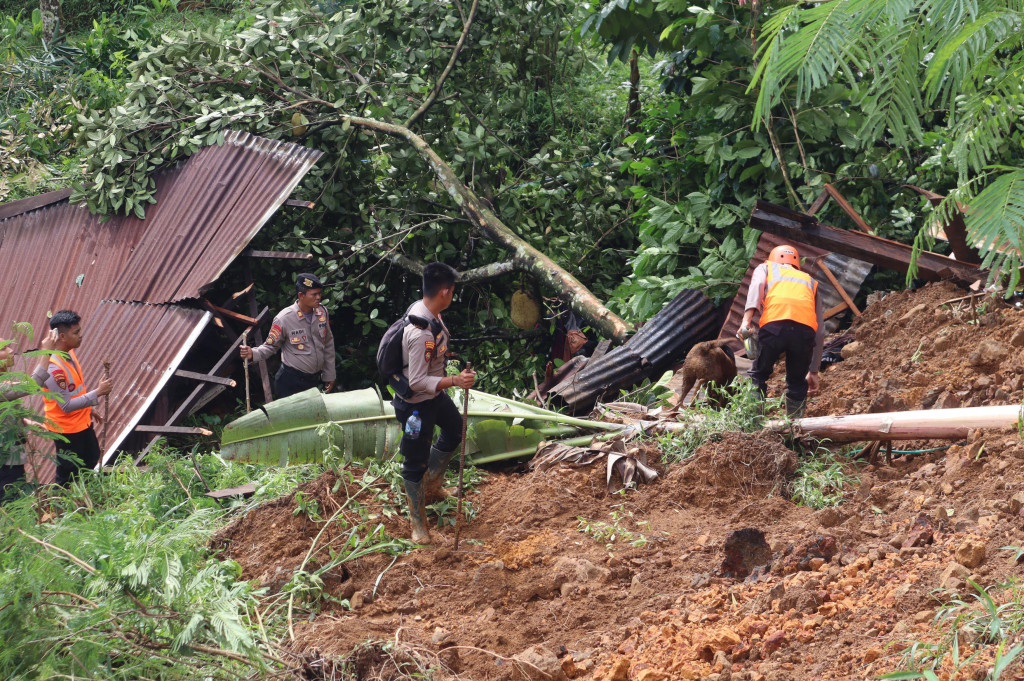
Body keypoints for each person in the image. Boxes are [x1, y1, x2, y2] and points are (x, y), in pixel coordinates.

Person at [392, 262, 476, 544]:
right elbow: (416, 381)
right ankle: (418, 523)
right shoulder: (420, 332)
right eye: (452, 291)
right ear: (445, 292)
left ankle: (433, 486)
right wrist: (454, 381)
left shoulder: (431, 314)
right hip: (416, 403)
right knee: (414, 461)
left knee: (455, 428)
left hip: (434, 396)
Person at [739, 244, 825, 417]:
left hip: (774, 326)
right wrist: (814, 371)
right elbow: (820, 331)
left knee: (758, 375)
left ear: (773, 258)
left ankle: (753, 426)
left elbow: (757, 287)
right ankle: (794, 430)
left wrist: (746, 321)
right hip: (804, 333)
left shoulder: (766, 267)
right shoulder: (810, 281)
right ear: (797, 264)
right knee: (797, 382)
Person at [39, 311, 114, 485]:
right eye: (76, 333)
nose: (81, 336)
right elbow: (66, 405)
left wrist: (89, 409)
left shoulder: (69, 353)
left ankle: (82, 497)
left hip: (81, 421)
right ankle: (59, 507)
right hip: (66, 429)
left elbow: (74, 391)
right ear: (63, 336)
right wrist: (98, 392)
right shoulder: (53, 368)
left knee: (91, 457)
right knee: (67, 472)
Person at [240, 273, 336, 400]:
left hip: (313, 381)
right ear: (301, 295)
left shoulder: (322, 312)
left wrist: (329, 375)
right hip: (290, 382)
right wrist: (252, 353)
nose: (318, 297)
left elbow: (328, 344)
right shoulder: (284, 318)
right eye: (314, 294)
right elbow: (270, 347)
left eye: (319, 293)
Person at [0, 328, 58, 495]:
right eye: (3, 349)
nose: (11, 350)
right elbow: (33, 384)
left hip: (12, 455)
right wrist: (46, 351)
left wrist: (25, 421)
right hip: (6, 459)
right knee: (10, 499)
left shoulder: (5, 381)